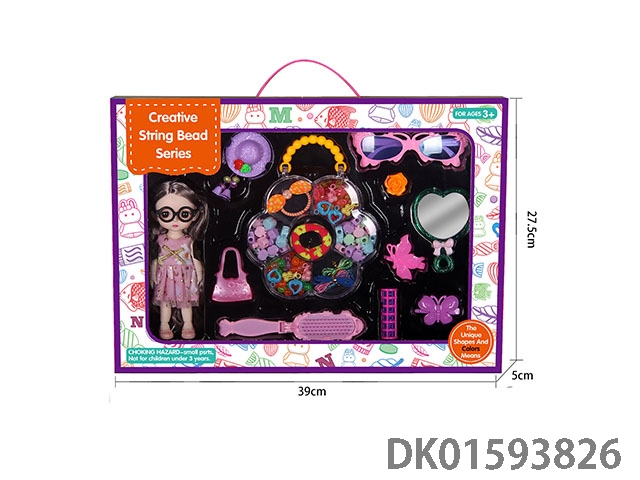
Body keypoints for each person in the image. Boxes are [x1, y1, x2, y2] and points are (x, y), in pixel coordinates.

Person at [149, 180, 209, 340]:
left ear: (195, 215)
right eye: (166, 214)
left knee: (186, 302)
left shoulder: (188, 239)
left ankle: (188, 324)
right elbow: (156, 259)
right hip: (165, 274)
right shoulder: (160, 239)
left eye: (184, 214)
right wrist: (152, 273)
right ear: (156, 215)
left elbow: (193, 257)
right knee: (165, 302)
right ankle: (164, 324)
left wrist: (200, 273)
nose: (175, 220)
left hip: (185, 274)